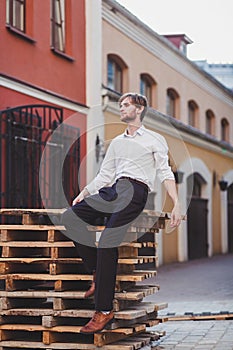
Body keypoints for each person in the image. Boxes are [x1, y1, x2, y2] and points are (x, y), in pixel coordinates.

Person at [61, 92, 181, 334]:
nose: (121, 108)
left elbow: (165, 172)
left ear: (139, 109)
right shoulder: (116, 142)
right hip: (113, 189)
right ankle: (97, 271)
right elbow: (105, 175)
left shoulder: (154, 139)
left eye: (126, 105)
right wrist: (84, 193)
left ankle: (103, 310)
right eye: (120, 105)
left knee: (107, 241)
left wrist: (176, 203)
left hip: (136, 191)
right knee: (70, 217)